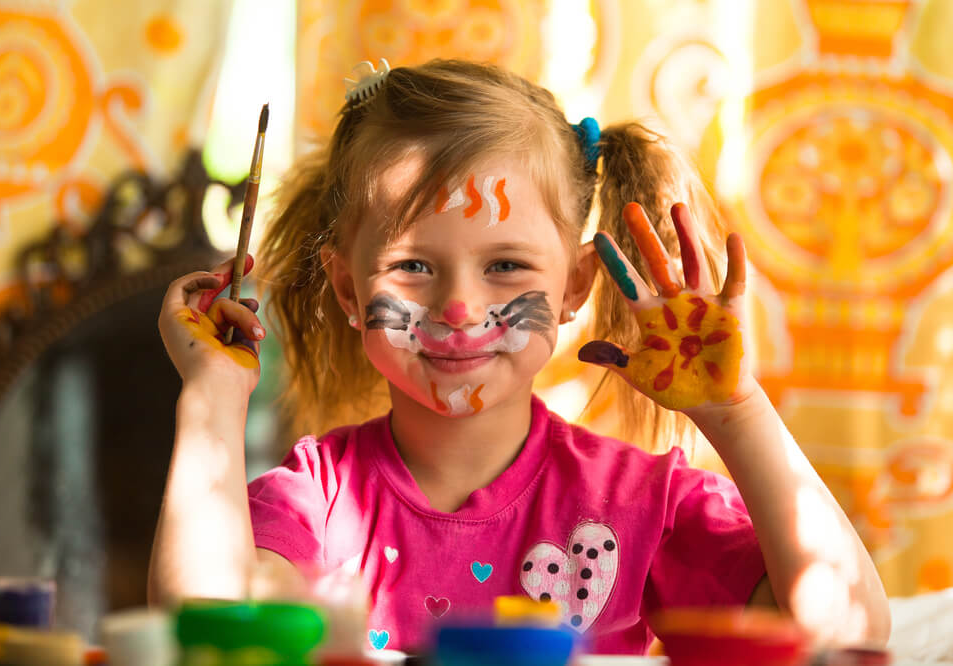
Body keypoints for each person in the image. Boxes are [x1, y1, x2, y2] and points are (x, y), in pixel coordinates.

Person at [148, 59, 890, 654]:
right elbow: (206, 631)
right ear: (348, 287)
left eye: (505, 266)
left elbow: (846, 631)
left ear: (574, 286)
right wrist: (211, 399)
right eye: (413, 266)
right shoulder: (319, 501)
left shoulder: (644, 505)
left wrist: (737, 412)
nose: (461, 309)